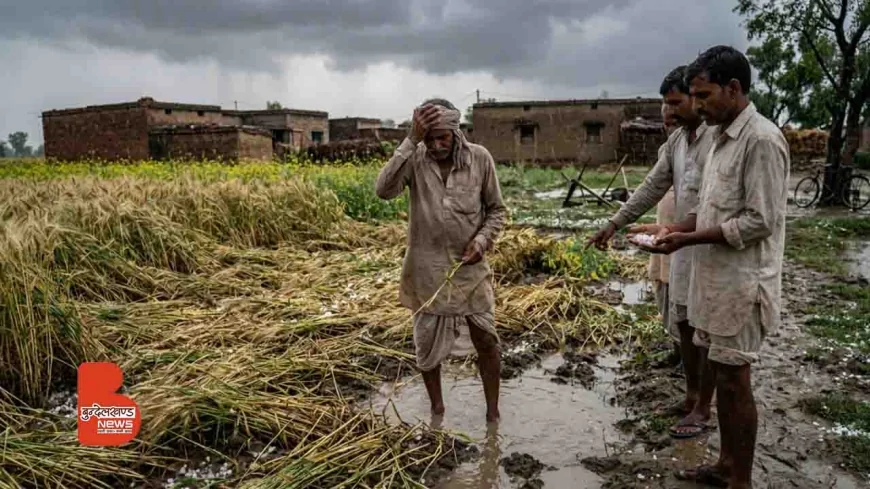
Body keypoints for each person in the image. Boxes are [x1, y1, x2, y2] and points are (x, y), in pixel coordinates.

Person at [632, 45, 790, 489]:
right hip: (714, 279)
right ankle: (724, 465)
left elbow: (761, 221)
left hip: (741, 285)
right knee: (723, 376)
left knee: (737, 384)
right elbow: (707, 210)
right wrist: (669, 231)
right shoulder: (720, 139)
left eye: (703, 96)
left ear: (733, 88)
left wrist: (689, 237)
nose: (697, 106)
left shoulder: (760, 140)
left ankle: (739, 479)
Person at [588, 65, 717, 439]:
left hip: (709, 246)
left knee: (705, 329)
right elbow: (650, 187)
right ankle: (691, 395)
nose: (669, 111)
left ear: (694, 99)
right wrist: (613, 224)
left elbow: (716, 205)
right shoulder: (677, 143)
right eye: (666, 103)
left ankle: (704, 407)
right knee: (684, 321)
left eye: (675, 102)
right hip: (678, 246)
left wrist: (674, 229)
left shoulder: (717, 140)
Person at [375, 98, 508, 423]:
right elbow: (383, 190)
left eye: (442, 138)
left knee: (487, 340)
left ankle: (493, 413)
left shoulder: (480, 159)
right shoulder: (415, 158)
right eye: (429, 137)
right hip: (427, 274)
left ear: (455, 131)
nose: (436, 145)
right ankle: (437, 410)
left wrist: (481, 240)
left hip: (470, 272)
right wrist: (410, 140)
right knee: (426, 349)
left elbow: (497, 211)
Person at [650, 103, 678, 366]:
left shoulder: (702, 151)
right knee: (662, 288)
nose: (671, 128)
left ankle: (686, 355)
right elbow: (651, 188)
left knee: (682, 300)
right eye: (668, 123)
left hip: (683, 236)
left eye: (676, 122)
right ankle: (675, 348)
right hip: (663, 231)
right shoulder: (666, 152)